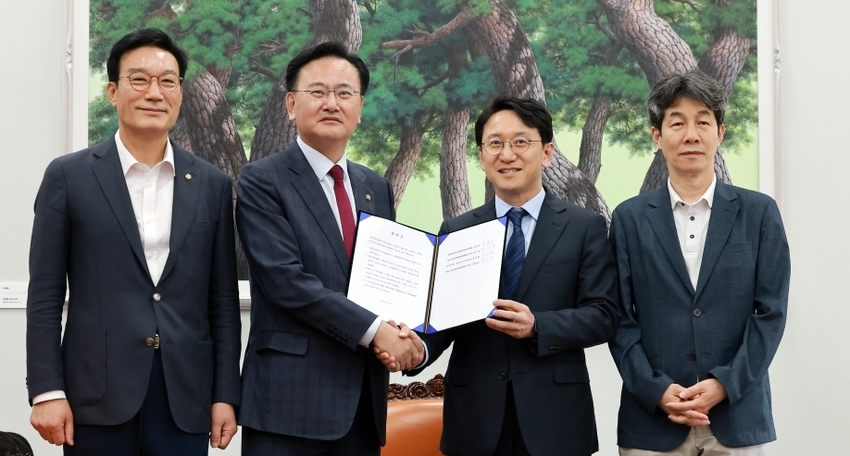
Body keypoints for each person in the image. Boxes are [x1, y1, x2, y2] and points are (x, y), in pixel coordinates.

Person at [26, 28, 242, 455]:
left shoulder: (213, 184)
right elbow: (46, 294)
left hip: (185, 394)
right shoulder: (68, 176)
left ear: (180, 93)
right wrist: (47, 389)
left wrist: (225, 393)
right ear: (113, 91)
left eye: (168, 81)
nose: (154, 93)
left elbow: (222, 300)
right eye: (139, 79)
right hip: (96, 391)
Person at [390, 97, 619, 455]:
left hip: (555, 418)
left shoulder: (583, 226)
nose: (507, 154)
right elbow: (444, 319)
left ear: (546, 153)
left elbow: (603, 315)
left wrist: (538, 325)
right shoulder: (457, 230)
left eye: (520, 142)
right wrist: (416, 349)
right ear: (482, 156)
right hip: (475, 418)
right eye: (495, 143)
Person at [235, 41, 424, 456]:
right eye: (317, 92)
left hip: (362, 405)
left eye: (344, 93)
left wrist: (408, 336)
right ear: (291, 104)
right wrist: (376, 331)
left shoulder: (376, 187)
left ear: (360, 107)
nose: (331, 103)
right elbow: (286, 281)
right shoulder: (262, 180)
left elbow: (384, 282)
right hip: (289, 406)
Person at [608, 70, 790, 456]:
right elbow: (619, 318)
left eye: (703, 122)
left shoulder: (759, 213)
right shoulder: (629, 218)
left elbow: (771, 314)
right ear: (657, 136)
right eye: (677, 123)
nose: (691, 135)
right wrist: (656, 389)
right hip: (653, 421)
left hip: (736, 416)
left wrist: (725, 384)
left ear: (720, 133)